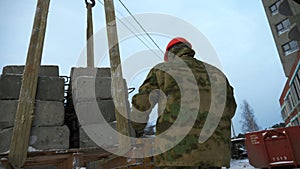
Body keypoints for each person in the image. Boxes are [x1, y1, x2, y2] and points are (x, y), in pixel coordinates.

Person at [130, 37, 237, 169]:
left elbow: (142, 103)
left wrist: (136, 128)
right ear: (189, 50)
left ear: (168, 55)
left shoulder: (162, 70)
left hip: (176, 155)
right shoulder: (217, 73)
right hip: (215, 155)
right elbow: (230, 109)